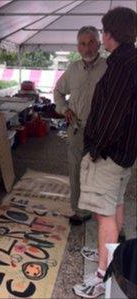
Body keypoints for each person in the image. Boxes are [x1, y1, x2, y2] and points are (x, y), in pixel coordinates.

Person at [73, 6, 137, 298]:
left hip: (110, 155)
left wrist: (95, 149)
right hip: (123, 155)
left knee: (104, 214)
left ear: (109, 34)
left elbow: (114, 115)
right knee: (115, 204)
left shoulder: (123, 65)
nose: (100, 37)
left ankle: (103, 275)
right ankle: (112, 256)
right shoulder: (129, 61)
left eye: (101, 32)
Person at [54, 26, 107, 225]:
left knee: (98, 170)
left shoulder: (109, 67)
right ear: (77, 47)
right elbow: (58, 92)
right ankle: (79, 210)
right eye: (83, 44)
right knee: (76, 169)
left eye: (91, 42)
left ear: (99, 43)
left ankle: (101, 210)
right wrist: (63, 109)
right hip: (77, 128)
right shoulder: (72, 69)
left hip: (102, 131)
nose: (87, 48)